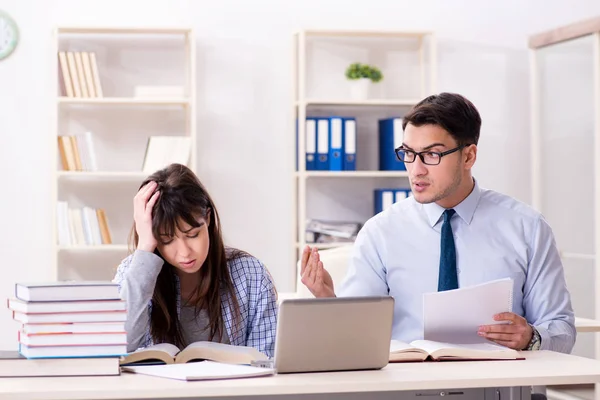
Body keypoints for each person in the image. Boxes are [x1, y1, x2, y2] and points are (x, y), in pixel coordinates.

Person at [301, 92, 576, 353]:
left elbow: (562, 329)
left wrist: (532, 337)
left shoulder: (527, 227)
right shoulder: (380, 231)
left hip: (495, 385)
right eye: (408, 153)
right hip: (407, 386)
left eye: (432, 155)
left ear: (468, 156)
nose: (416, 169)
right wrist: (329, 301)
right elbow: (356, 337)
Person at [113, 163, 278, 357]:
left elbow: (266, 362)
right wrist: (145, 248)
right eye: (166, 240)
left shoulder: (251, 275)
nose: (185, 252)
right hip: (159, 388)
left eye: (192, 234)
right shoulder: (131, 272)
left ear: (207, 218)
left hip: (234, 388)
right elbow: (120, 347)